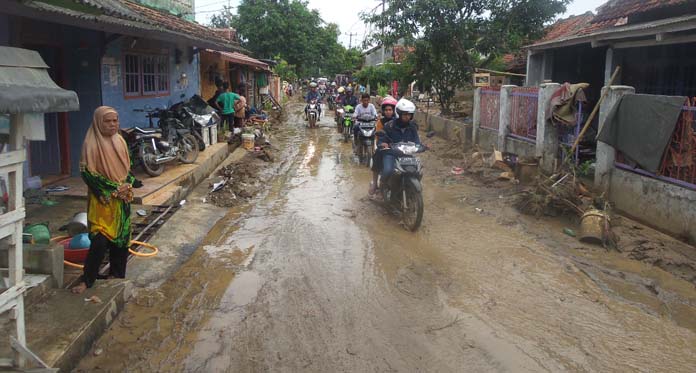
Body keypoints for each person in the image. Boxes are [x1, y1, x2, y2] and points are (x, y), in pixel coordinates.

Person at [72, 107, 135, 294]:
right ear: (99, 122)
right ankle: (87, 280)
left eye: (115, 120)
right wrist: (114, 188)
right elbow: (88, 174)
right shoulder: (90, 144)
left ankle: (116, 275)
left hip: (122, 200)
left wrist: (129, 184)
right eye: (108, 121)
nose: (112, 125)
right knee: (99, 242)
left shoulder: (120, 141)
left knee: (122, 241)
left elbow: (127, 170)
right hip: (103, 202)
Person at [375, 99, 421, 186]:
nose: (407, 116)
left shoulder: (413, 126)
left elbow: (417, 141)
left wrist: (421, 146)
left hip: (407, 155)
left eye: (409, 115)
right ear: (399, 114)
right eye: (405, 114)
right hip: (391, 154)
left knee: (418, 171)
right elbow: (381, 139)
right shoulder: (389, 126)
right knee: (388, 170)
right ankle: (382, 187)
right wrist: (383, 144)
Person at [369, 96, 397, 195]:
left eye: (390, 110)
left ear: (394, 110)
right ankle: (375, 183)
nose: (388, 112)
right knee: (377, 155)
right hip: (385, 147)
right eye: (386, 110)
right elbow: (378, 137)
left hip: (398, 147)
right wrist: (382, 144)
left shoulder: (399, 121)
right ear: (383, 111)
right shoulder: (380, 122)